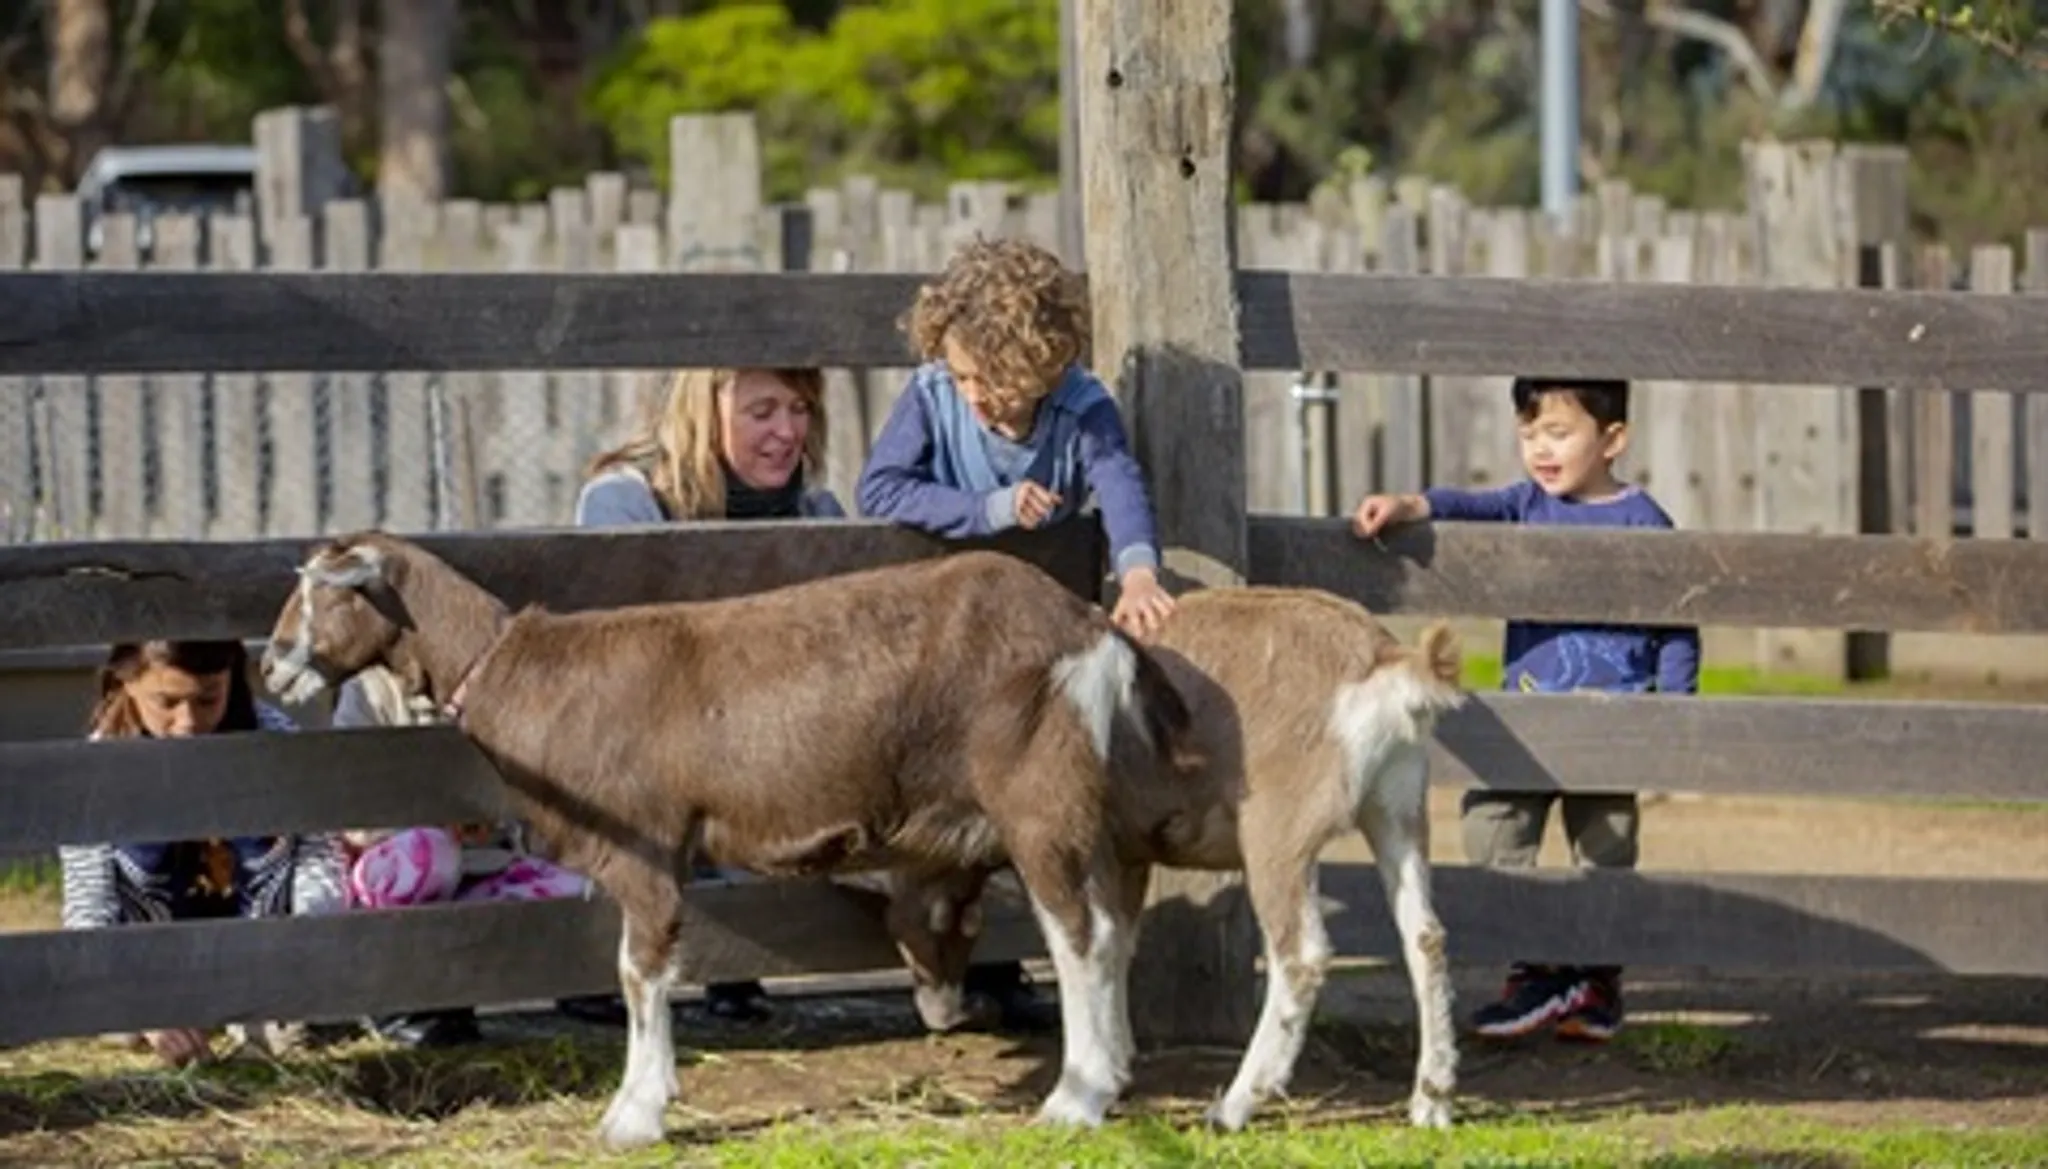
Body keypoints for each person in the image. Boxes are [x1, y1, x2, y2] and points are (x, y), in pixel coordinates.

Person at [855, 235, 1174, 1036]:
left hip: (1036, 648)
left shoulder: (1083, 407)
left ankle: (1028, 971)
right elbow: (879, 486)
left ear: (1044, 367)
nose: (976, 397)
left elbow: (1119, 482)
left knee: (1034, 804)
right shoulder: (932, 397)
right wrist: (987, 513)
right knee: (948, 805)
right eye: (964, 375)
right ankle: (945, 968)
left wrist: (1137, 572)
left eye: (993, 383)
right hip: (945, 640)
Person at [1349, 375, 1700, 1044]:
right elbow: (1464, 504)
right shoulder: (1525, 505)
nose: (1540, 448)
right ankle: (1536, 967)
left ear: (1613, 440)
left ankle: (1595, 981)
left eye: (1559, 433)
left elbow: (1677, 619)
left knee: (1605, 848)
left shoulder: (1643, 521)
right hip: (1530, 719)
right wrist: (1406, 504)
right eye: (1528, 432)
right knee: (1495, 821)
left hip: (1615, 720)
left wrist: (1674, 709)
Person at [573, 364, 845, 1023]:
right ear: (705, 409)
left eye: (799, 408)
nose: (787, 431)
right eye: (762, 412)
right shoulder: (625, 500)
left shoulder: (818, 511)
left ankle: (741, 955)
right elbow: (621, 671)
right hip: (656, 749)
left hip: (767, 749)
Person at [58, 638, 351, 1068]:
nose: (188, 722)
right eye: (167, 702)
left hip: (266, 958)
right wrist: (138, 1007)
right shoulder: (96, 772)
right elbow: (89, 906)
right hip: (148, 970)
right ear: (126, 682)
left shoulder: (279, 745)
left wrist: (297, 958)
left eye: (208, 699)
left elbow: (319, 859)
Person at [328, 666, 614, 1046]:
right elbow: (350, 815)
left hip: (481, 864)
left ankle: (572, 979)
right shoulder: (366, 693)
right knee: (431, 853)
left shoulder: (483, 682)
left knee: (575, 888)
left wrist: (493, 814)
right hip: (397, 870)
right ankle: (403, 1005)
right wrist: (438, 816)